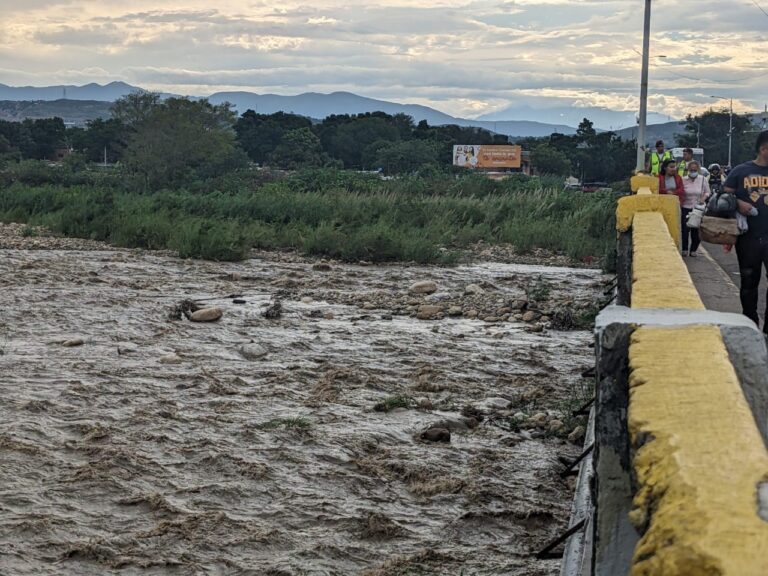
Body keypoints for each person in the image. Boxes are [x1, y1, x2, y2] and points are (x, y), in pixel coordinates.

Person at [725, 130, 768, 332]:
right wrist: (738, 203)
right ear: (763, 149)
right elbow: (721, 198)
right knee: (749, 283)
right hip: (749, 238)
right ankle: (750, 324)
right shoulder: (741, 172)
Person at [680, 160, 711, 257]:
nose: (693, 171)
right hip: (686, 207)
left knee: (696, 230)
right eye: (691, 170)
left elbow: (707, 192)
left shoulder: (702, 179)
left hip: (698, 208)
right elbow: (680, 191)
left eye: (695, 170)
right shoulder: (683, 179)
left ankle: (693, 249)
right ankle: (684, 249)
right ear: (688, 170)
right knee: (685, 230)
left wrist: (703, 198)